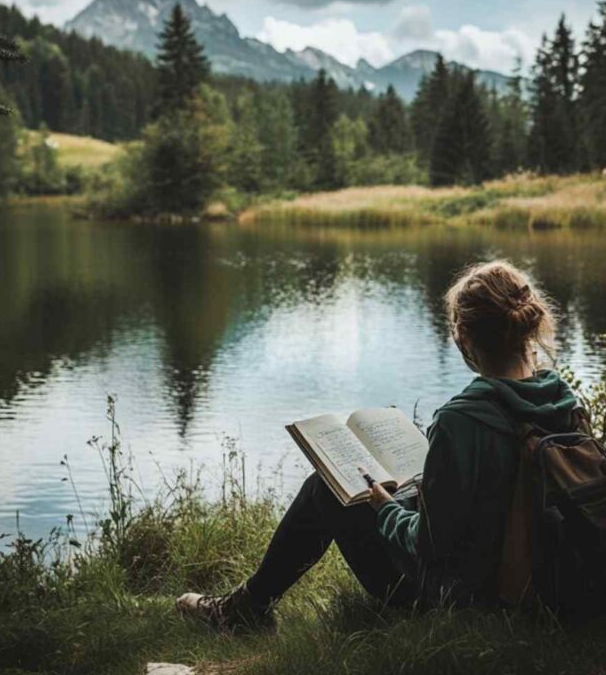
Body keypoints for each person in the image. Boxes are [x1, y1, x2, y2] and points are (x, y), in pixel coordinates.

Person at [176, 260, 580, 631]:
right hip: (547, 581)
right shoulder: (562, 400)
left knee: (327, 488)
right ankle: (246, 606)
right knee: (398, 492)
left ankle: (244, 610)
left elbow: (430, 545)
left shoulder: (464, 419)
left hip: (466, 598)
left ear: (464, 336)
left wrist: (386, 510)